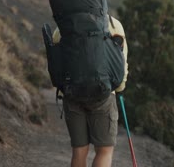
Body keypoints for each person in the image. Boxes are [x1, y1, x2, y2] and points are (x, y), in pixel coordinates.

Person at [52, 16, 128, 167]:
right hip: (104, 95)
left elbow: (55, 60)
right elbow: (122, 63)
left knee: (79, 152)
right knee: (104, 151)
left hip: (72, 94)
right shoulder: (114, 24)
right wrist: (119, 88)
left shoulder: (63, 25)